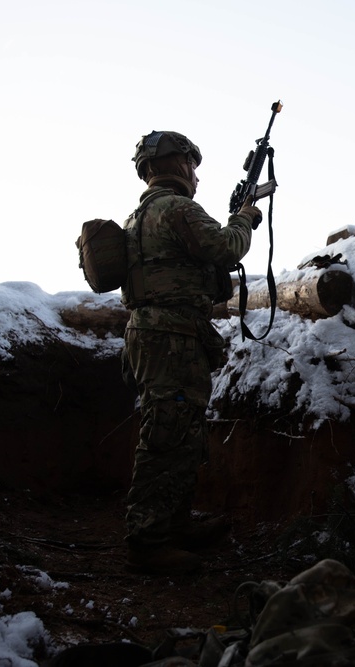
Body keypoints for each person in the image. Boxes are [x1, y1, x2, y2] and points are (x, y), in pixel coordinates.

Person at [120, 130, 261, 574]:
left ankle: (173, 526)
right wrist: (245, 218)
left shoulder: (138, 216)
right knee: (166, 438)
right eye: (192, 165)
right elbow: (225, 248)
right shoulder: (176, 209)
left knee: (178, 433)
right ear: (179, 164)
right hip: (171, 339)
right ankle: (148, 542)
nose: (196, 175)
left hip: (160, 336)